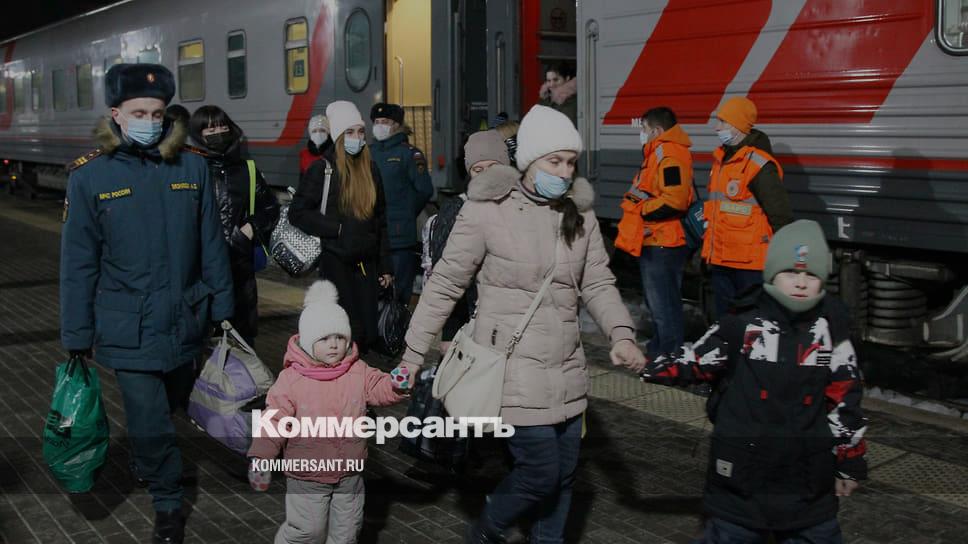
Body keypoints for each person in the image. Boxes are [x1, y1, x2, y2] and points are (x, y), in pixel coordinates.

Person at [395, 105, 647, 544]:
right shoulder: (487, 210)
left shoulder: (580, 215)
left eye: (571, 162)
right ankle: (485, 533)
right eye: (555, 161)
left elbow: (598, 282)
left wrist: (621, 335)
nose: (565, 172)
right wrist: (412, 355)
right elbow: (446, 284)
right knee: (540, 473)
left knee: (564, 476)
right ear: (529, 160)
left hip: (566, 368)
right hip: (512, 369)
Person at [60, 63, 233, 544]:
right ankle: (168, 503)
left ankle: (146, 457)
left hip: (185, 318)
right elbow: (78, 263)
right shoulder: (90, 176)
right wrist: (76, 333)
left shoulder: (191, 167)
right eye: (139, 113)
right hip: (127, 327)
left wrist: (223, 309)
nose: (150, 122)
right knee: (149, 415)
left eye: (157, 113)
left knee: (174, 403)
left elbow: (212, 245)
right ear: (116, 113)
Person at [641, 219, 867, 544]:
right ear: (772, 273)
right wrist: (647, 364)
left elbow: (846, 400)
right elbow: (695, 361)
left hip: (807, 486)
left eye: (811, 275)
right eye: (790, 272)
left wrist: (849, 461)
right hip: (740, 485)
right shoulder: (742, 325)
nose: (800, 283)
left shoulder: (831, 332)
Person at [247, 280, 409, 544]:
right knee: (307, 531)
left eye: (340, 338)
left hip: (349, 473)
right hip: (307, 475)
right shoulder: (291, 380)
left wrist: (396, 383)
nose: (334, 345)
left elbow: (379, 387)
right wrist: (262, 458)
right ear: (308, 342)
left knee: (346, 534)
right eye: (324, 339)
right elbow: (273, 421)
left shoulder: (358, 370)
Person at [288, 100, 392, 354]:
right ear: (338, 137)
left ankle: (357, 371)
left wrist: (385, 266)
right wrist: (336, 229)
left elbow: (380, 220)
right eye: (350, 132)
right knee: (346, 330)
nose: (357, 138)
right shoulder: (322, 169)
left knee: (367, 332)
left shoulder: (371, 169)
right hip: (335, 262)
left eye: (360, 132)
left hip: (366, 263)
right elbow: (298, 212)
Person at [188, 105, 280, 345]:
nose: (217, 132)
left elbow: (270, 208)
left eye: (221, 126)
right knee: (204, 341)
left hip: (240, 268)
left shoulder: (247, 169)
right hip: (201, 271)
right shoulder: (190, 170)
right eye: (209, 129)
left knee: (242, 340)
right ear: (197, 134)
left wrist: (250, 228)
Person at [615, 106, 694, 360]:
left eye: (645, 129)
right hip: (655, 239)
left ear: (657, 130)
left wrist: (642, 210)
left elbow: (675, 201)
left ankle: (668, 358)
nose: (642, 134)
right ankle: (660, 351)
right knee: (658, 303)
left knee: (664, 305)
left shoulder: (669, 155)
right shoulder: (658, 154)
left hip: (664, 241)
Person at [420, 129, 510, 354]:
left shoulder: (519, 208)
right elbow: (447, 277)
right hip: (470, 327)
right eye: (478, 169)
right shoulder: (456, 210)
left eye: (493, 167)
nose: (486, 175)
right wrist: (449, 334)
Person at [702, 96, 792, 317]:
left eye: (723, 122)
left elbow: (780, 215)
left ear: (738, 125)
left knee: (751, 323)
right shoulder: (722, 160)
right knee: (727, 324)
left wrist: (785, 262)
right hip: (721, 260)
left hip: (749, 266)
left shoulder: (759, 165)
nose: (717, 128)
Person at [369, 102, 434, 306]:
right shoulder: (368, 152)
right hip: (372, 234)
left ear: (397, 125)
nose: (380, 126)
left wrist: (405, 212)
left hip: (398, 238)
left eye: (385, 121)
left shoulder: (410, 154)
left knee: (398, 294)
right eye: (376, 121)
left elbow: (424, 189)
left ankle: (398, 324)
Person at [538, 62, 577, 127]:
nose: (551, 84)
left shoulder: (573, 101)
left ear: (567, 78)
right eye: (548, 80)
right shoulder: (545, 99)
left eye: (556, 80)